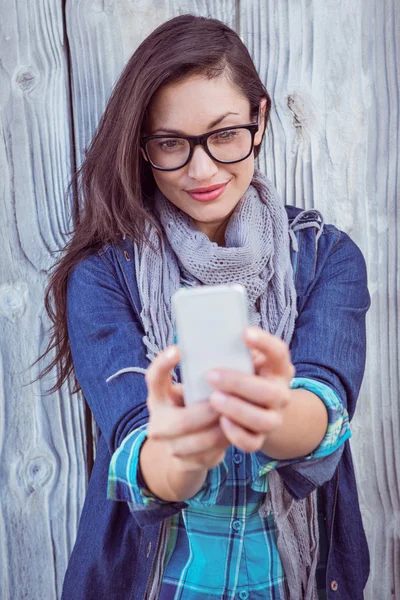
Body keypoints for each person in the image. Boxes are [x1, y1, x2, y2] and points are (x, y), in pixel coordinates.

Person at [35, 14, 370, 600]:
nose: (202, 169)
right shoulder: (102, 275)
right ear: (142, 146)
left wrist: (273, 415)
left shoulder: (328, 257)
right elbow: (139, 448)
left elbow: (325, 403)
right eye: (170, 143)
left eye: (224, 134)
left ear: (260, 120)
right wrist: (181, 450)